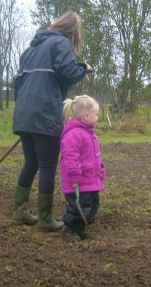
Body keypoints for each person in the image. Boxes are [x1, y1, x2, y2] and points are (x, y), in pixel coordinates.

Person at [13, 11, 93, 232]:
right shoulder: (61, 44)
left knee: (31, 163)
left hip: (24, 114)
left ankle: (19, 210)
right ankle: (46, 219)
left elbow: (19, 84)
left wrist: (25, 114)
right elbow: (67, 71)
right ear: (73, 31)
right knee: (47, 166)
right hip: (45, 113)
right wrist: (83, 68)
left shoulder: (31, 49)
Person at [60, 95, 106, 242]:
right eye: (96, 114)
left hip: (90, 180)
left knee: (92, 205)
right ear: (86, 115)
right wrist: (74, 175)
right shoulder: (73, 134)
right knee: (79, 207)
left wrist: (101, 169)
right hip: (78, 182)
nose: (98, 117)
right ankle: (69, 228)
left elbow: (95, 155)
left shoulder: (91, 134)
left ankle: (80, 228)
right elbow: (70, 157)